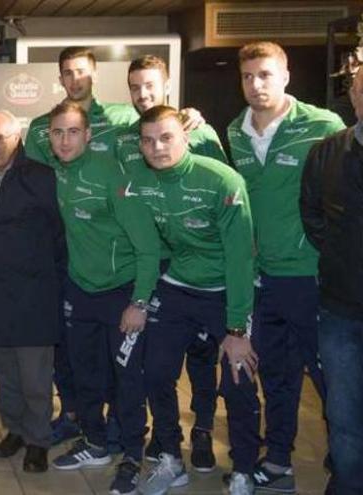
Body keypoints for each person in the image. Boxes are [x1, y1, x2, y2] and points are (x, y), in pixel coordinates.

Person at [226, 41, 345, 493]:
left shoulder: (322, 125)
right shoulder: (234, 132)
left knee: (333, 378)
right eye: (248, 76)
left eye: (265, 75)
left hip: (312, 277)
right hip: (262, 280)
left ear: (286, 76)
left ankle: (347, 462)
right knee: (275, 376)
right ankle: (278, 462)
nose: (256, 85)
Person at [131, 106, 260, 495]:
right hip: (178, 286)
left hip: (226, 290)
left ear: (185, 137)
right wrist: (139, 300)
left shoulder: (222, 180)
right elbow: (148, 247)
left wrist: (237, 328)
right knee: (154, 371)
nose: (157, 147)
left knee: (238, 379)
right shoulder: (139, 181)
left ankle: (244, 471)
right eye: (149, 140)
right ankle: (171, 457)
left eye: (166, 137)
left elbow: (241, 258)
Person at [114, 55, 226, 471]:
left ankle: (202, 432)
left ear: (167, 83)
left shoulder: (199, 131)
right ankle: (165, 437)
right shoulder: (126, 137)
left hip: (196, 269)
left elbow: (226, 195)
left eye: (149, 85)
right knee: (155, 362)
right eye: (134, 87)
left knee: (201, 355)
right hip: (147, 263)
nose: (142, 94)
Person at [45, 101, 160, 495]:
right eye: (57, 132)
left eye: (73, 131)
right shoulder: (56, 172)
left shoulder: (114, 177)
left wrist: (140, 302)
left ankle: (131, 456)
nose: (64, 140)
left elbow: (148, 248)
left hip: (121, 294)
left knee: (127, 379)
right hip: (80, 290)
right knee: (85, 373)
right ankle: (94, 442)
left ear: (89, 135)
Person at [0, 110, 66, 473]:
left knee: (35, 379)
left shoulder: (42, 176)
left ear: (18, 138)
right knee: (5, 376)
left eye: (1, 137)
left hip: (34, 295)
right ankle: (15, 431)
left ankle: (38, 441)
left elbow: (59, 235)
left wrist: (48, 278)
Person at [300, 66, 363, 495]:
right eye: (362, 91)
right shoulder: (326, 152)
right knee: (343, 415)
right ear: (354, 97)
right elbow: (312, 214)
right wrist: (343, 256)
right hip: (342, 308)